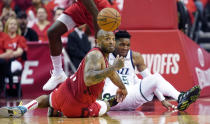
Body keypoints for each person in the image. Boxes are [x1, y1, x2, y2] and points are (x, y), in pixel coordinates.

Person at [0, 30, 127, 118]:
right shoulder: (96, 54)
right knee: (106, 104)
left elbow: (112, 73)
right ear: (97, 42)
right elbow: (89, 79)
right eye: (106, 39)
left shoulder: (101, 58)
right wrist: (114, 67)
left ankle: (24, 108)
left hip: (66, 90)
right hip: (79, 104)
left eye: (112, 39)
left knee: (47, 99)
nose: (111, 42)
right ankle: (62, 110)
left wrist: (122, 87)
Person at [102, 30, 201, 111]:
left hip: (131, 95)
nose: (125, 48)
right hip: (112, 98)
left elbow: (150, 79)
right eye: (122, 44)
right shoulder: (104, 56)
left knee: (155, 77)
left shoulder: (135, 57)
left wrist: (162, 100)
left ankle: (180, 97)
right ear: (114, 43)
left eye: (128, 45)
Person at [42, 0, 111, 91]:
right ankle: (58, 73)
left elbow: (95, 13)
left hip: (99, 8)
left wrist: (99, 42)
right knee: (53, 32)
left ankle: (107, 82)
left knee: (103, 45)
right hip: (81, 6)